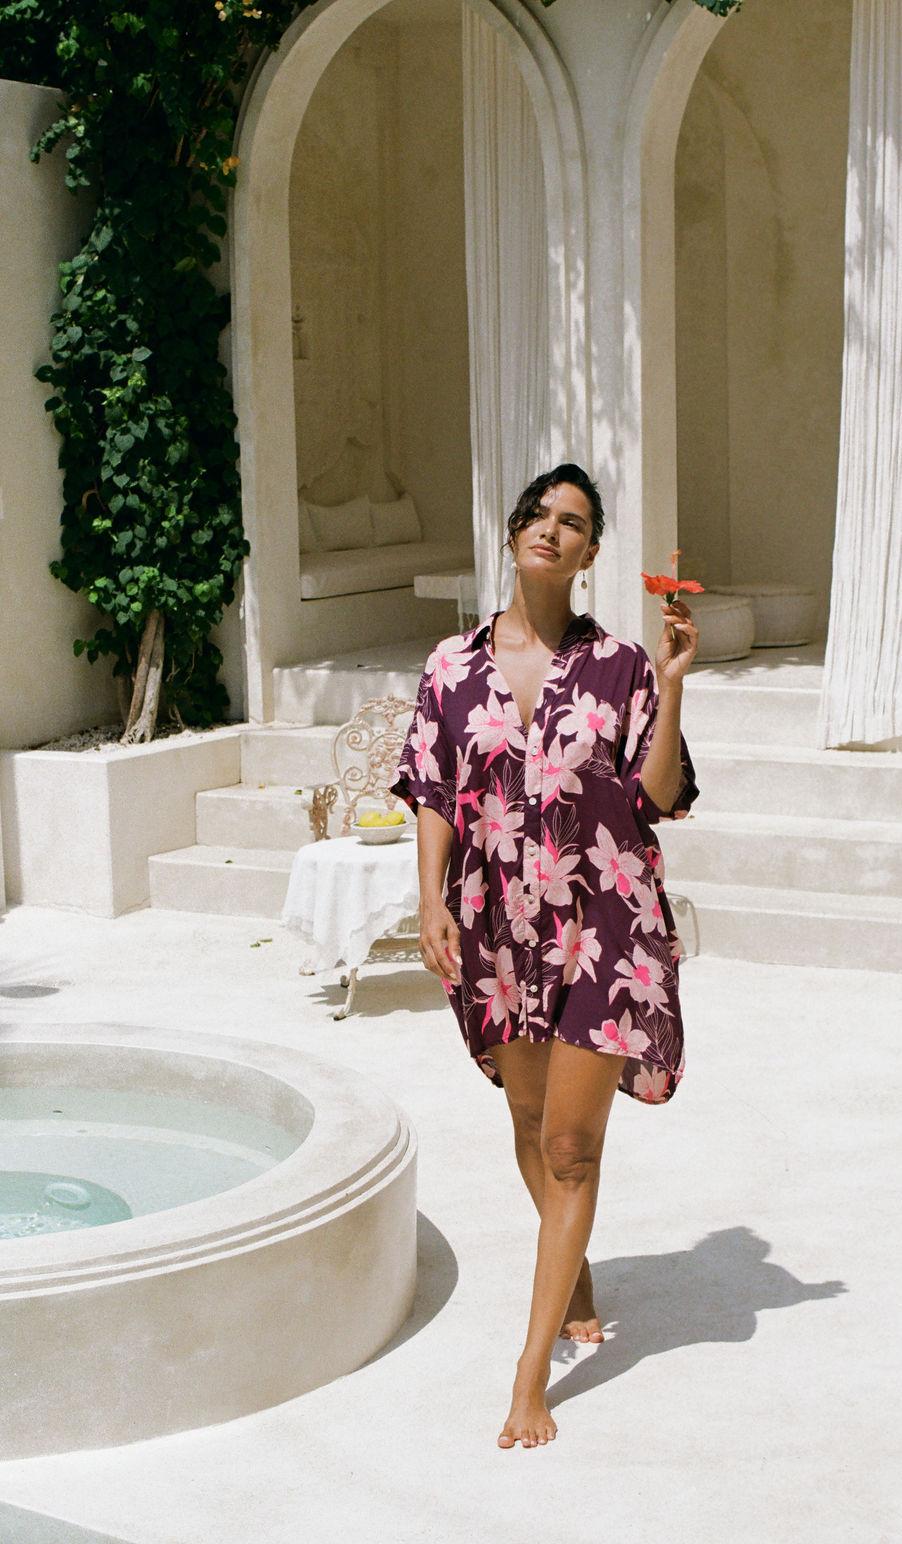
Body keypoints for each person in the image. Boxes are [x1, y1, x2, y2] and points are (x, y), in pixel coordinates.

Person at [391, 464, 699, 1449]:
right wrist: (431, 892)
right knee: (527, 1116)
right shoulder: (451, 664)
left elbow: (654, 795)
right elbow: (434, 786)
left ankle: (530, 1378)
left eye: (573, 522)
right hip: (497, 923)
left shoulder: (619, 665)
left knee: (571, 1145)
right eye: (539, 514)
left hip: (606, 921)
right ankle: (578, 1272)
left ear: (589, 551)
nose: (551, 530)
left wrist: (676, 682)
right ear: (517, 531)